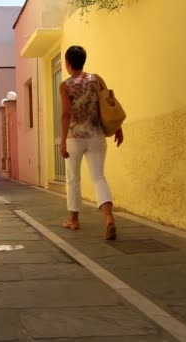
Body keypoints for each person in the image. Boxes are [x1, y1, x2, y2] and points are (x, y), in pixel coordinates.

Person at [59, 45, 123, 240]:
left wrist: (62, 141)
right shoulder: (96, 79)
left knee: (73, 179)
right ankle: (109, 218)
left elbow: (66, 114)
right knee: (98, 178)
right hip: (96, 135)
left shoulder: (65, 85)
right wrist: (117, 127)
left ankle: (73, 219)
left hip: (75, 138)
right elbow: (108, 104)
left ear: (68, 64)